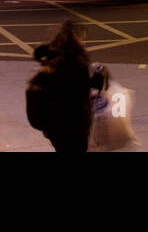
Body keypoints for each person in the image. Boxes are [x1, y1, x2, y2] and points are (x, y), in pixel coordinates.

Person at [29, 20, 104, 152]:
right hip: (73, 125)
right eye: (83, 39)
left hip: (53, 124)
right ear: (75, 38)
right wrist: (98, 77)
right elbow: (79, 89)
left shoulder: (51, 57)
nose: (84, 43)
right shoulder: (75, 61)